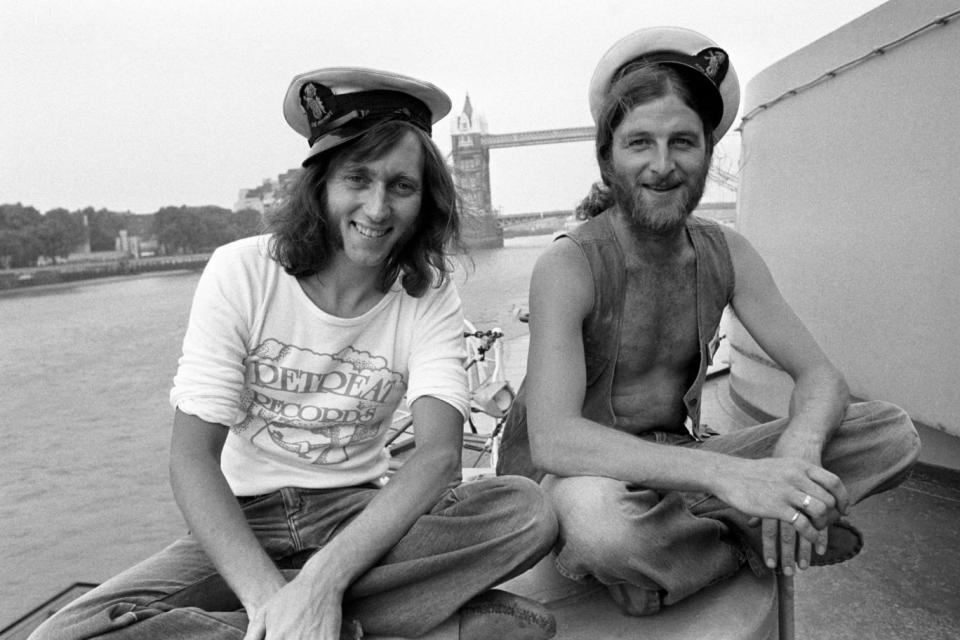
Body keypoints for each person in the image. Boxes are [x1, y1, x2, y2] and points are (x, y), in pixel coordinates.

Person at [31, 67, 558, 640]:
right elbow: (192, 460)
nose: (378, 208)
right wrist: (266, 598)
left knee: (525, 511)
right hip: (246, 518)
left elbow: (436, 458)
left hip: (358, 515)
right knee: (61, 632)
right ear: (323, 185)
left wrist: (319, 586)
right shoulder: (242, 272)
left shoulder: (425, 293)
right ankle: (387, 625)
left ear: (424, 199)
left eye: (401, 186)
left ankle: (295, 617)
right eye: (358, 178)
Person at [496, 27, 920, 616]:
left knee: (890, 433)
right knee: (601, 527)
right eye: (639, 142)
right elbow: (555, 438)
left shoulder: (728, 253)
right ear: (607, 156)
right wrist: (728, 478)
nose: (663, 166)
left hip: (680, 457)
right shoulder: (569, 264)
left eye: (683, 142)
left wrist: (797, 450)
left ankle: (673, 556)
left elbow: (820, 376)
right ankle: (744, 535)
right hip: (581, 475)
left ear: (708, 152)